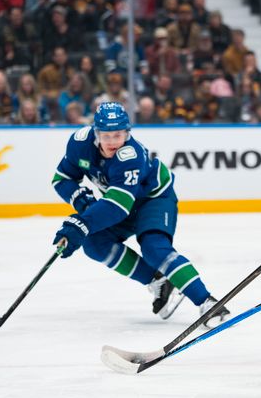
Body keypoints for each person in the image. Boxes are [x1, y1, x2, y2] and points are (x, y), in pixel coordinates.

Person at [50, 102, 230, 323]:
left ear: (127, 132)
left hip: (153, 199)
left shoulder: (130, 155)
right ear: (96, 134)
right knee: (94, 244)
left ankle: (208, 303)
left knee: (154, 248)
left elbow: (118, 207)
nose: (114, 142)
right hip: (121, 202)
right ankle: (158, 281)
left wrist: (83, 223)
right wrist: (82, 202)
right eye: (107, 136)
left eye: (119, 135)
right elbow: (62, 178)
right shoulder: (79, 144)